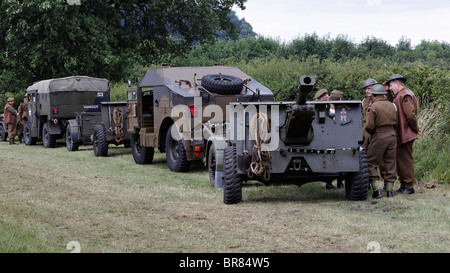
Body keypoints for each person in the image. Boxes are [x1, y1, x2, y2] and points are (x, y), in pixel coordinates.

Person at [384, 74, 419, 195]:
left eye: (391, 85)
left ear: (397, 83)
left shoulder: (405, 95)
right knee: (401, 159)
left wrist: (415, 128)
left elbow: (410, 115)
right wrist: (387, 91)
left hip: (406, 133)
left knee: (405, 160)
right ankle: (404, 184)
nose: (390, 88)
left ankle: (408, 186)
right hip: (402, 133)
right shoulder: (399, 95)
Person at [364, 84, 398, 198]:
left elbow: (369, 125)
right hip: (392, 135)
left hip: (379, 135)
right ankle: (389, 190)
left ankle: (376, 190)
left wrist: (371, 132)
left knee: (370, 162)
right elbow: (397, 122)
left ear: (373, 95)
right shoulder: (392, 105)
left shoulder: (372, 106)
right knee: (390, 162)